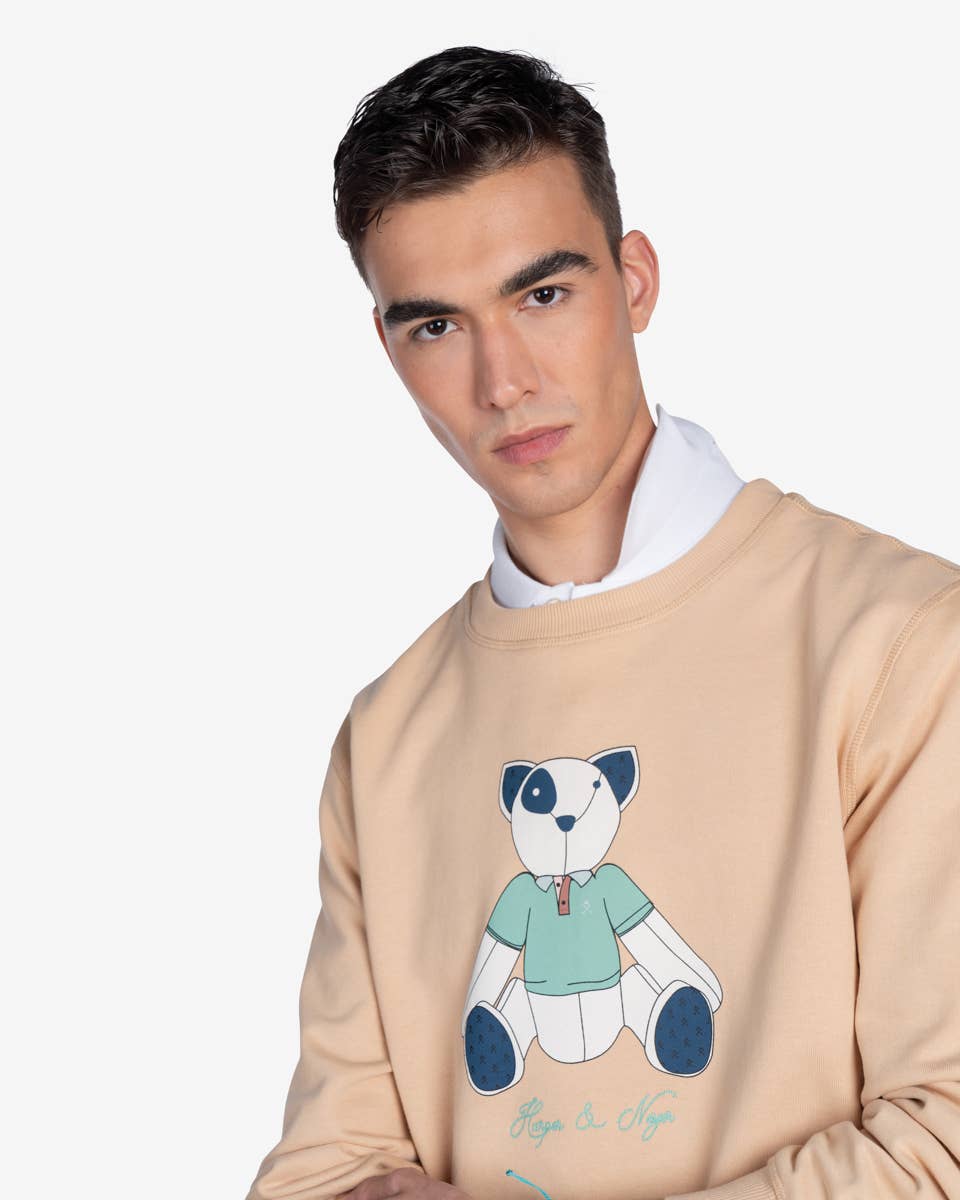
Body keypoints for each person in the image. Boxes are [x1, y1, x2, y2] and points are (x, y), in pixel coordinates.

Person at [244, 45, 960, 1200]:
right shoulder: (386, 738)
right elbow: (320, 1177)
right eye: (437, 327)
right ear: (389, 348)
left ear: (633, 282)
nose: (503, 381)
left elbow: (945, 1145)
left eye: (543, 295)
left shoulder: (902, 646)